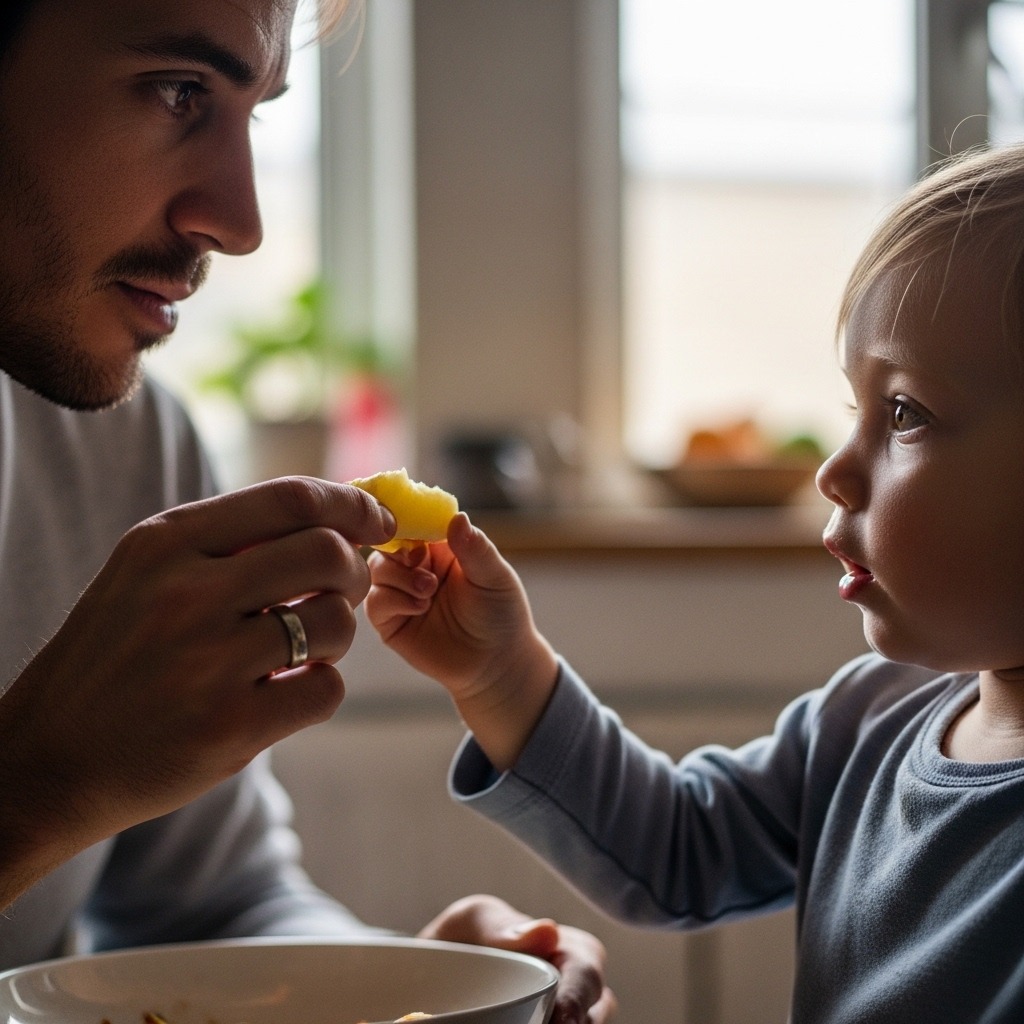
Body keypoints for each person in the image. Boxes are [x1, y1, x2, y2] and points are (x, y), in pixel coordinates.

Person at [0, 2, 615, 1021]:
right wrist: (38, 785)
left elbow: (215, 910)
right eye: (177, 91)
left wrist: (408, 987)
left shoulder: (130, 442)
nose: (240, 223)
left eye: (254, 113)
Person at [365, 140, 1024, 1023]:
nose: (833, 471)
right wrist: (500, 674)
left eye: (905, 412)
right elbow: (677, 849)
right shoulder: (865, 719)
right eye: (854, 408)